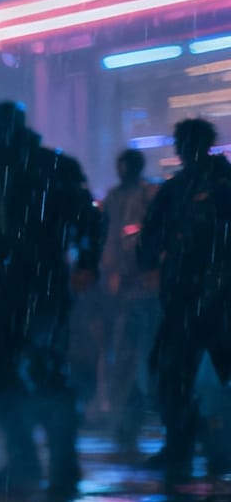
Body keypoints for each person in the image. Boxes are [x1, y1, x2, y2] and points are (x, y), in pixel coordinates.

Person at [0, 102, 103, 498]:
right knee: (37, 373)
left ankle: (35, 464)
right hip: (37, 281)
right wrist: (85, 262)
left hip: (13, 283)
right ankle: (53, 466)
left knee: (15, 373)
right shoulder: (51, 166)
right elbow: (87, 218)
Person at [136, 119, 231, 487]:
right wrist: (149, 263)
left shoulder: (220, 187)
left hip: (217, 297)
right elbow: (152, 233)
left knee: (180, 371)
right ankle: (181, 445)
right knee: (170, 371)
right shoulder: (177, 190)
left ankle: (191, 445)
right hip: (185, 297)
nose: (182, 149)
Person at [97, 148, 159, 456]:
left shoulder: (148, 195)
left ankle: (130, 427)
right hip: (122, 293)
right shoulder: (115, 198)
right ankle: (125, 428)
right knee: (125, 362)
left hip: (141, 292)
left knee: (139, 361)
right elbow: (109, 238)